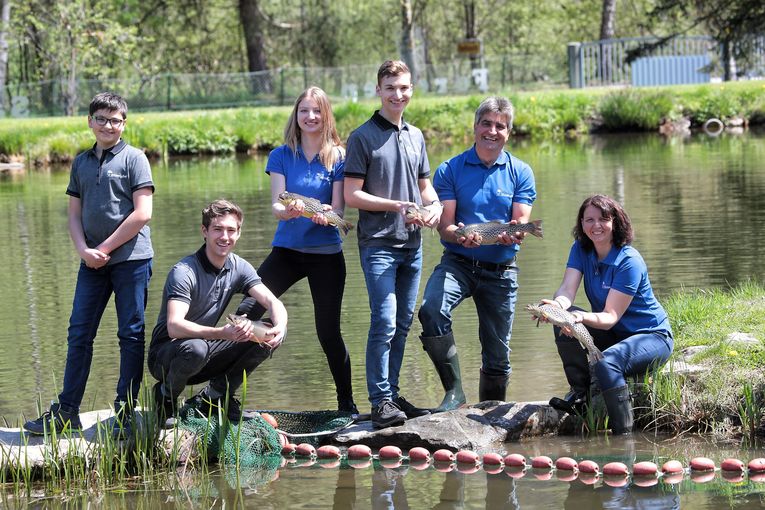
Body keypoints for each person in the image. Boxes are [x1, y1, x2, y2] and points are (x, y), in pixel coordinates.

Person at [24, 92, 154, 438]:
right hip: (91, 263)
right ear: (89, 121)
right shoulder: (81, 162)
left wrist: (105, 248)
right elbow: (74, 215)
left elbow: (143, 213)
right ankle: (67, 411)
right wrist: (84, 250)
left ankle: (125, 412)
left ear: (124, 124)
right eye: (101, 119)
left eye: (115, 120)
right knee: (79, 333)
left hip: (131, 260)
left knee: (130, 335)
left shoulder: (135, 159)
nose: (108, 125)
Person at [234, 86, 357, 413]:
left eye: (317, 110)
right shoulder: (281, 155)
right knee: (246, 314)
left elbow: (339, 211)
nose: (311, 117)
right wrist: (286, 211)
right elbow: (276, 203)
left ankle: (347, 403)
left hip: (327, 256)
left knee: (328, 333)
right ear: (296, 115)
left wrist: (326, 217)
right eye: (304, 110)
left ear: (326, 114)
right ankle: (221, 390)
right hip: (286, 252)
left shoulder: (339, 157)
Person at [417, 96, 536, 412]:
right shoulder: (450, 170)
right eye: (486, 123)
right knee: (431, 310)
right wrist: (458, 234)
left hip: (501, 269)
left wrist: (516, 230)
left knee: (498, 355)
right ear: (475, 127)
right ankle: (454, 393)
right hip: (458, 262)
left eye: (500, 126)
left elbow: (520, 224)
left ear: (508, 132)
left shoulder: (520, 172)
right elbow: (445, 227)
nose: (492, 131)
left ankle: (491, 413)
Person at [344, 60, 442, 429]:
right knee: (383, 321)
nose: (397, 95)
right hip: (378, 244)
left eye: (403, 88)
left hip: (412, 245)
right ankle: (380, 400)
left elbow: (424, 187)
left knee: (402, 323)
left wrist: (433, 207)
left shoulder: (416, 135)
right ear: (378, 91)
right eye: (390, 88)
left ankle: (394, 393)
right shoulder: (362, 137)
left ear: (411, 89)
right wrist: (397, 206)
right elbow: (352, 195)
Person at [147, 199, 287, 427]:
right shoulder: (184, 272)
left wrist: (280, 327)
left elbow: (272, 301)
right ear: (204, 231)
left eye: (231, 230)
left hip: (206, 348)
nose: (225, 237)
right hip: (167, 356)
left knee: (267, 334)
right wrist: (222, 333)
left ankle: (216, 395)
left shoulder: (238, 266)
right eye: (218, 229)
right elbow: (174, 326)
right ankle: (166, 397)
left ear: (239, 233)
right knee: (196, 347)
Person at [544, 194, 673, 434]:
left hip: (651, 337)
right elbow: (567, 290)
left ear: (616, 222)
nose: (596, 226)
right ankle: (580, 397)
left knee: (608, 364)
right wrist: (557, 307)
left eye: (603, 219)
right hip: (615, 334)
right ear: (581, 224)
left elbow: (610, 317)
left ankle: (623, 437)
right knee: (560, 318)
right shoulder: (581, 249)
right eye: (589, 220)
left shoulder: (629, 261)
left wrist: (578, 317)